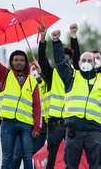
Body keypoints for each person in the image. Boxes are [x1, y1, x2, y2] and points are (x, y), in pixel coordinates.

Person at [51, 29, 101, 169]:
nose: (86, 62)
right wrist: (56, 42)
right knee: (71, 166)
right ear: (78, 63)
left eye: (89, 60)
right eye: (83, 60)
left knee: (96, 165)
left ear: (94, 63)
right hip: (74, 129)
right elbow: (61, 63)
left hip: (95, 131)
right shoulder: (72, 77)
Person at [0, 34, 42, 169]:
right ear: (11, 61)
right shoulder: (5, 75)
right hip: (8, 123)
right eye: (16, 60)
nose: (19, 62)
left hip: (26, 124)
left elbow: (38, 106)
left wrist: (37, 127)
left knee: (28, 157)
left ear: (26, 62)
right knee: (7, 157)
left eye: (22, 60)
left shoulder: (32, 81)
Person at [69, 23, 101, 152]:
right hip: (82, 122)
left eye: (98, 58)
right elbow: (76, 56)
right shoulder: (80, 74)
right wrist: (73, 36)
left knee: (100, 153)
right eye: (93, 58)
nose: (95, 60)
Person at [38, 25, 74, 169]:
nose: (63, 62)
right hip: (55, 124)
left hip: (72, 122)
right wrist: (42, 39)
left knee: (71, 158)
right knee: (51, 158)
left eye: (66, 59)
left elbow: (77, 55)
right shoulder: (52, 75)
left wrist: (73, 36)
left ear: (71, 61)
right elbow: (42, 60)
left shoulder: (75, 75)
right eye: (61, 59)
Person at [13, 63, 48, 169]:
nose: (35, 71)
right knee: (16, 156)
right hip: (24, 125)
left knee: (37, 158)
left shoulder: (46, 85)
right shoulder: (25, 84)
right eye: (33, 69)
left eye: (37, 69)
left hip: (40, 129)